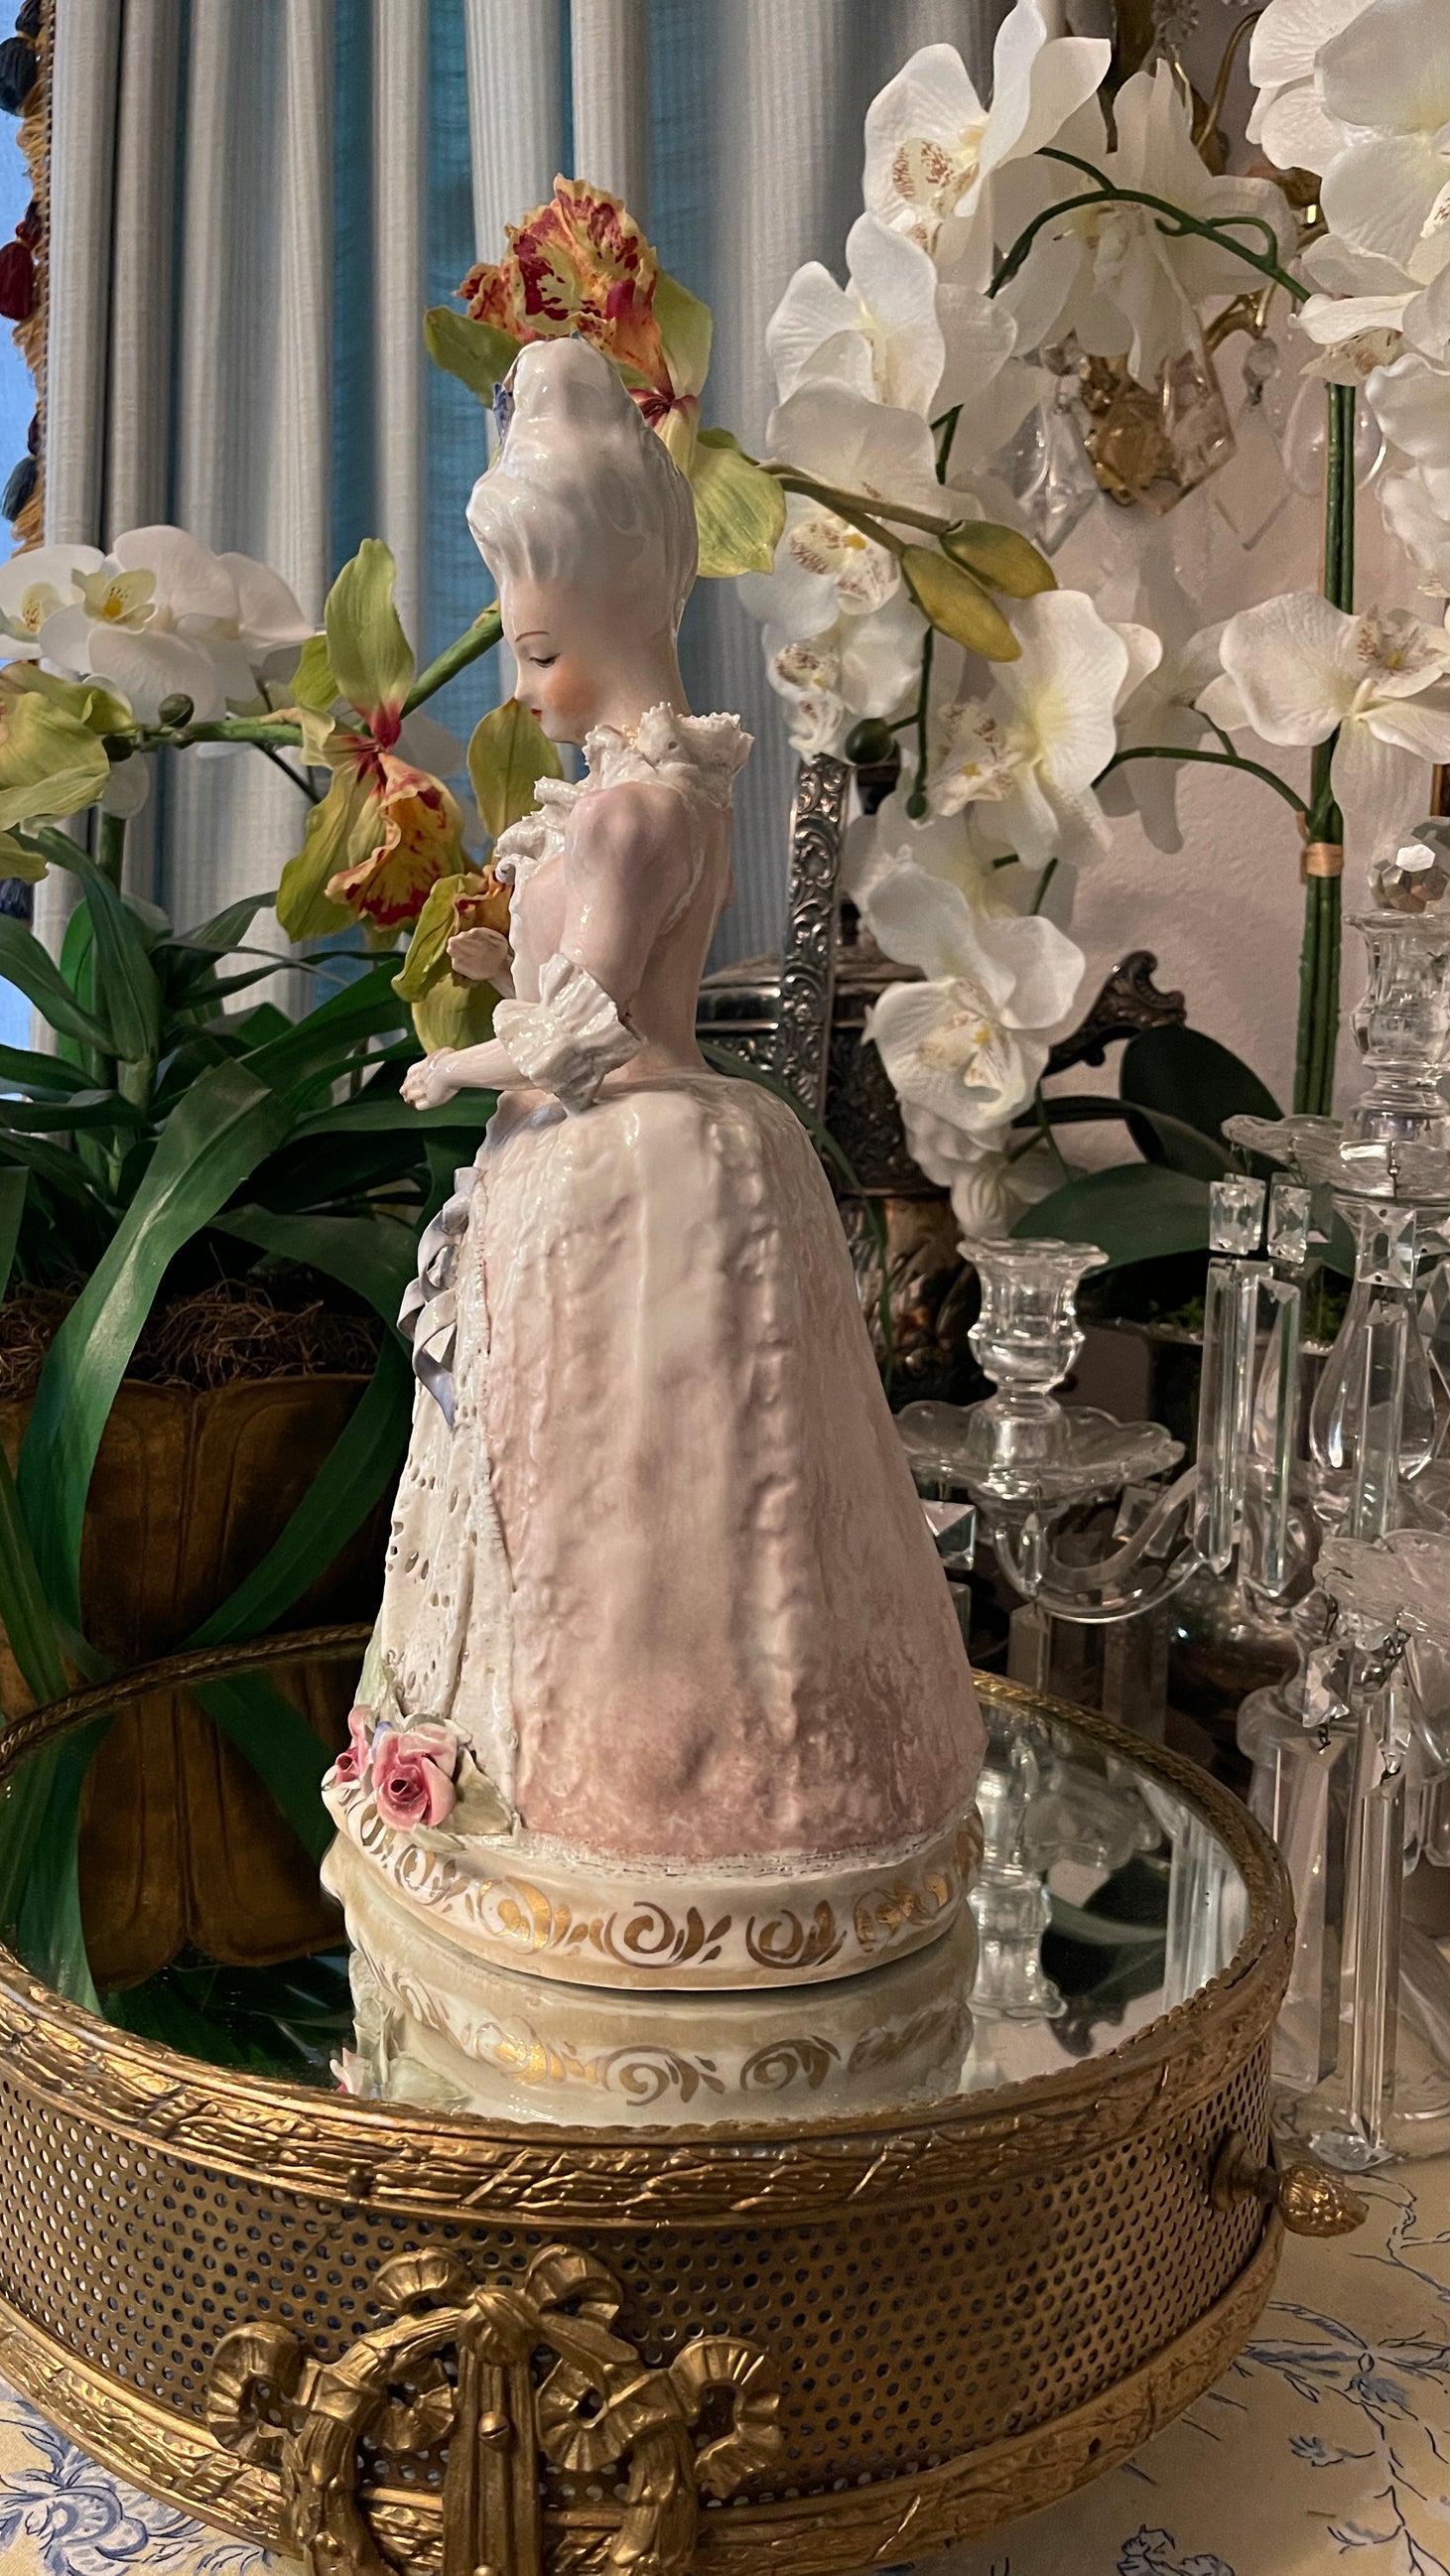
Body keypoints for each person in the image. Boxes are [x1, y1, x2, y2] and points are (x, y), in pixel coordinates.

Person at [330, 338, 983, 1990]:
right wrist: (498, 967)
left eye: (540, 650)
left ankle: (677, 1800)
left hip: (628, 1163)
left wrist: (454, 1057)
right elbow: (574, 986)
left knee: (663, 1497)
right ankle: (545, 1771)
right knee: (548, 1475)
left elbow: (591, 1029)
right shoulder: (616, 805)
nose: (523, 684)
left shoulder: (632, 818)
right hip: (587, 1164)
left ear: (619, 621)